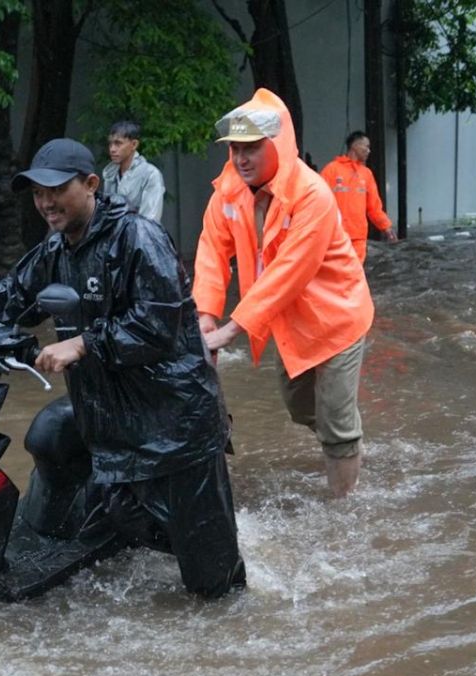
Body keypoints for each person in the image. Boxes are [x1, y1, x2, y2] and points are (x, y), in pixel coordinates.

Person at [0, 138, 244, 598]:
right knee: (125, 517)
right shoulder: (56, 249)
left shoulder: (138, 239)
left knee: (213, 584)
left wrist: (84, 343)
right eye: (37, 193)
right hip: (112, 420)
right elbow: (11, 295)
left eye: (56, 190)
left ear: (90, 184)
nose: (45, 202)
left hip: (175, 425)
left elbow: (156, 326)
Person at [193, 89, 374, 498]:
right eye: (235, 149)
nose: (241, 159)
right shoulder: (228, 191)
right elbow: (211, 251)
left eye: (251, 148)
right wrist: (206, 316)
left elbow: (290, 272)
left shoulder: (312, 194)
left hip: (338, 317)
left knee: (336, 424)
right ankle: (345, 436)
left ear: (276, 145)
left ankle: (344, 510)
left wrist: (230, 330)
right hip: (287, 319)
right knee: (300, 408)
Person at [320, 131, 397, 264]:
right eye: (366, 146)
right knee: (337, 272)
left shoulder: (366, 174)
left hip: (358, 237)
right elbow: (319, 202)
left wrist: (386, 227)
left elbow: (374, 207)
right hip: (335, 235)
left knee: (355, 272)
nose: (369, 151)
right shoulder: (331, 170)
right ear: (355, 146)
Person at [101, 120, 166, 222]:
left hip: (140, 231)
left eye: (118, 143)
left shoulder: (150, 174)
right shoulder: (110, 175)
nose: (112, 149)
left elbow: (150, 220)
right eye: (110, 144)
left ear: (134, 144)